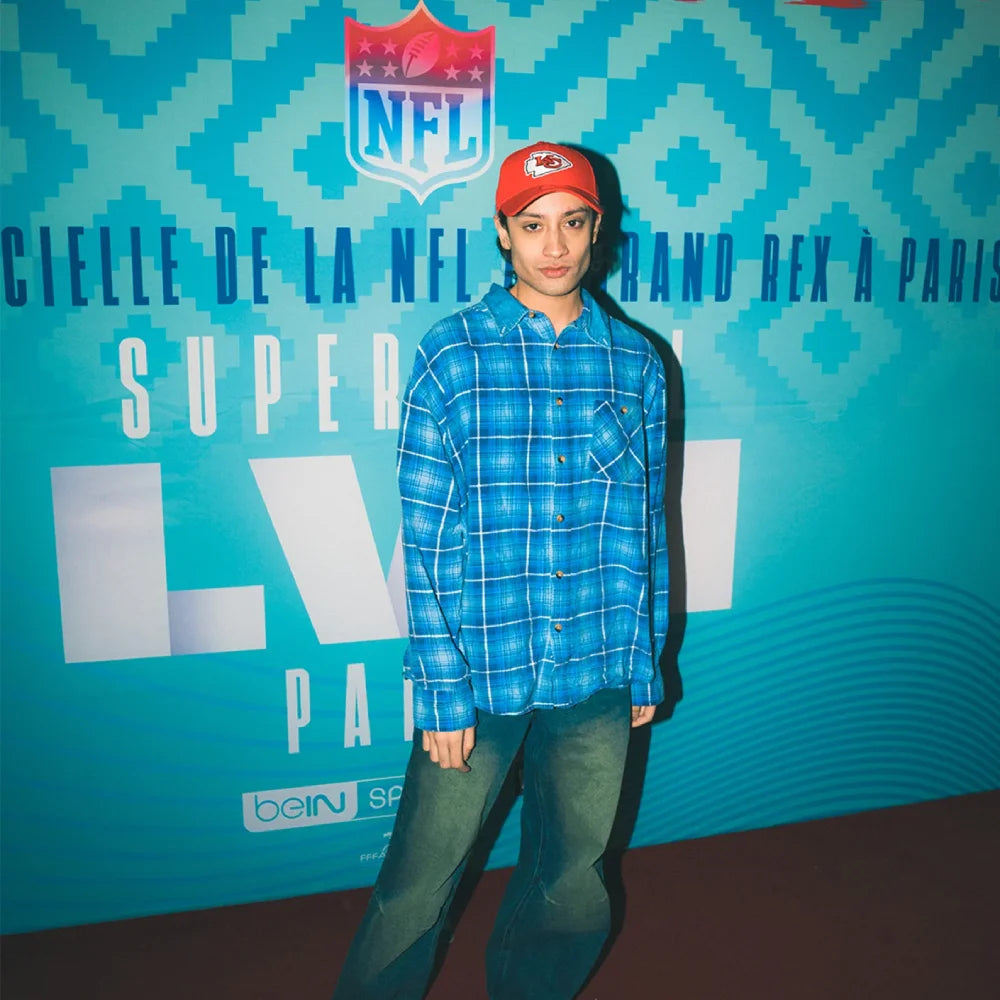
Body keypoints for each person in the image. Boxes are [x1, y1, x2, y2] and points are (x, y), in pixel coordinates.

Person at [332, 141, 669, 1000]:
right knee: (416, 890)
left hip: (596, 667)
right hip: (479, 677)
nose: (553, 245)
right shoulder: (452, 355)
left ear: (599, 232)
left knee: (571, 883)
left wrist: (644, 654)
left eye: (573, 223)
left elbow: (643, 526)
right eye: (533, 225)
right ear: (503, 233)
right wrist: (440, 690)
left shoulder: (636, 363)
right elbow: (425, 536)